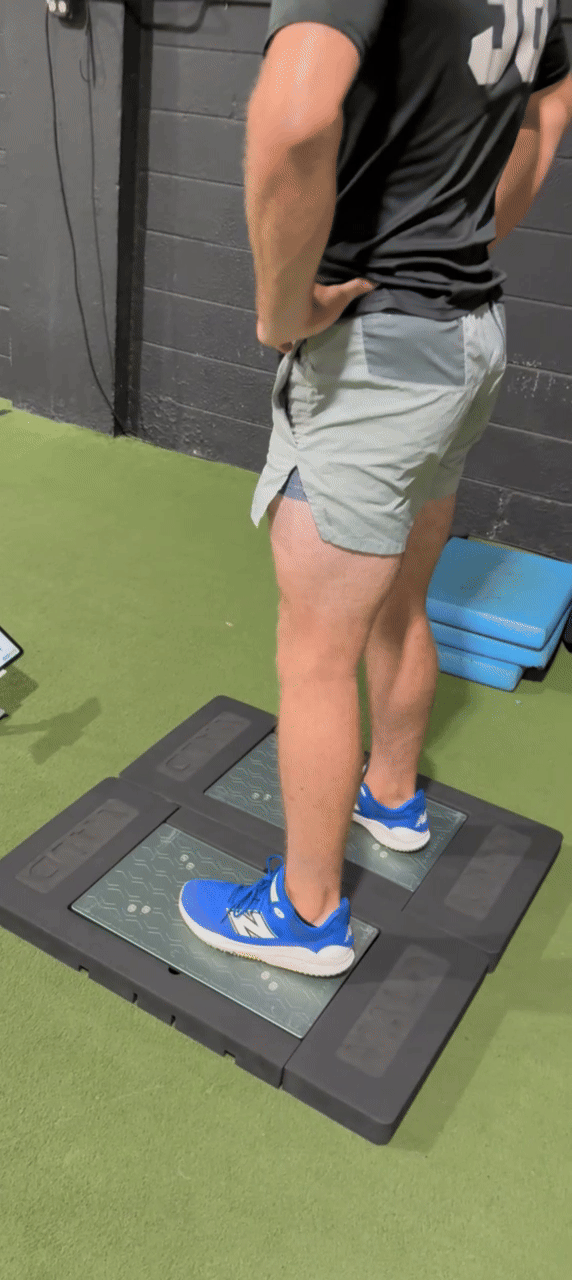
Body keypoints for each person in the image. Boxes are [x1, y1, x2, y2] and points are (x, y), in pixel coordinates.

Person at [179, 1, 572, 976]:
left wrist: (282, 307)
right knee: (400, 595)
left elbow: (295, 119)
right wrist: (463, 243)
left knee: (317, 651)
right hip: (467, 330)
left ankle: (307, 914)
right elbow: (550, 104)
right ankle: (390, 795)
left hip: (380, 347)